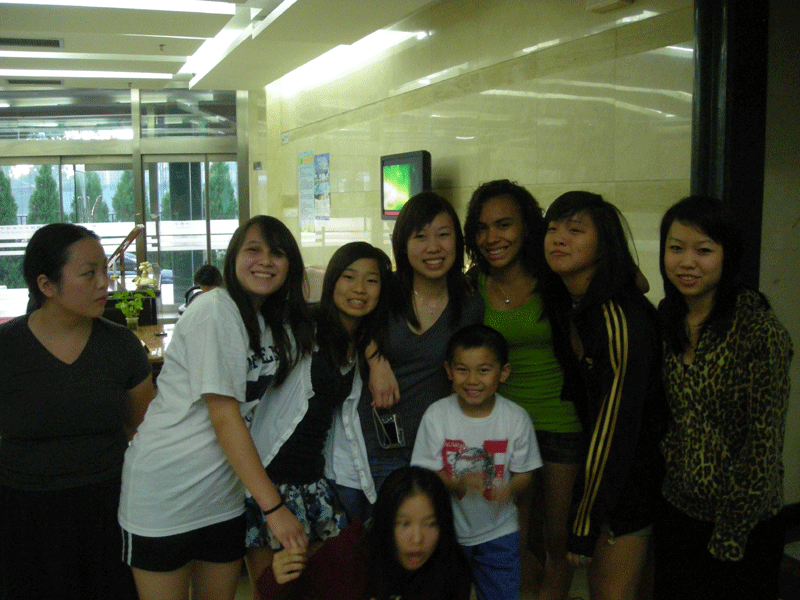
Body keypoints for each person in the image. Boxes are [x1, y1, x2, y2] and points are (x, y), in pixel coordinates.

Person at [118, 215, 315, 600]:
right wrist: (274, 508)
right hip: (166, 491)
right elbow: (224, 416)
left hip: (223, 497)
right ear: (234, 257)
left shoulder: (273, 321)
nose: (265, 260)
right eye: (253, 250)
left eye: (277, 253)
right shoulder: (215, 309)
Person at [0, 223, 153, 600]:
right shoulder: (7, 348)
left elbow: (141, 430)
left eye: (105, 270)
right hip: (24, 514)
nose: (104, 283)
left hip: (109, 510)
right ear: (46, 285)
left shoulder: (121, 346)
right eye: (89, 273)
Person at [654, 196, 793, 600]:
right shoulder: (668, 319)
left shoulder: (759, 332)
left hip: (743, 526)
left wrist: (729, 538)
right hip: (678, 512)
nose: (687, 262)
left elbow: (762, 447)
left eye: (703, 250)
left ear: (727, 256)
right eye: (675, 248)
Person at [244, 241, 393, 596]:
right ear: (331, 281)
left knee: (315, 584)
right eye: (348, 277)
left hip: (312, 481)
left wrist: (375, 357)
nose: (359, 289)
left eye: (371, 280)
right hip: (265, 477)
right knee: (271, 589)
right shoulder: (301, 325)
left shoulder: (361, 342)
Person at [540, 191, 667, 600]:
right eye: (553, 228)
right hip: (612, 476)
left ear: (604, 244)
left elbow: (615, 429)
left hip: (631, 481)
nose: (559, 238)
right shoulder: (572, 301)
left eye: (576, 230)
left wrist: (584, 524)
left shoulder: (618, 317)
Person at [464, 179, 583, 599]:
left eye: (504, 225)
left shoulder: (553, 276)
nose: (492, 237)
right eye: (482, 228)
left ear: (528, 227)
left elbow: (628, 282)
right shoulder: (472, 286)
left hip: (558, 423)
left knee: (557, 539)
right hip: (500, 429)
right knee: (511, 539)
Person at [339, 192, 484, 521]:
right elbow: (350, 323)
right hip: (379, 445)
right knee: (386, 537)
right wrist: (376, 359)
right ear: (403, 244)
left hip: (438, 448)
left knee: (425, 538)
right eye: (420, 236)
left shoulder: (469, 303)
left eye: (443, 235)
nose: (433, 247)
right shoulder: (385, 290)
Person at [412, 323, 541, 600]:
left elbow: (525, 474)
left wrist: (508, 489)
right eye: (462, 369)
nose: (472, 380)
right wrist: (456, 483)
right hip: (446, 531)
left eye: (483, 370)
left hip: (500, 531)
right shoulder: (437, 415)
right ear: (448, 371)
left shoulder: (516, 418)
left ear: (503, 372)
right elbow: (424, 473)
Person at [258, 466, 472, 600]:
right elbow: (284, 592)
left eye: (430, 524)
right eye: (404, 524)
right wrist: (279, 579)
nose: (417, 539)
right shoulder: (350, 553)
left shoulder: (451, 569)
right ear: (385, 521)